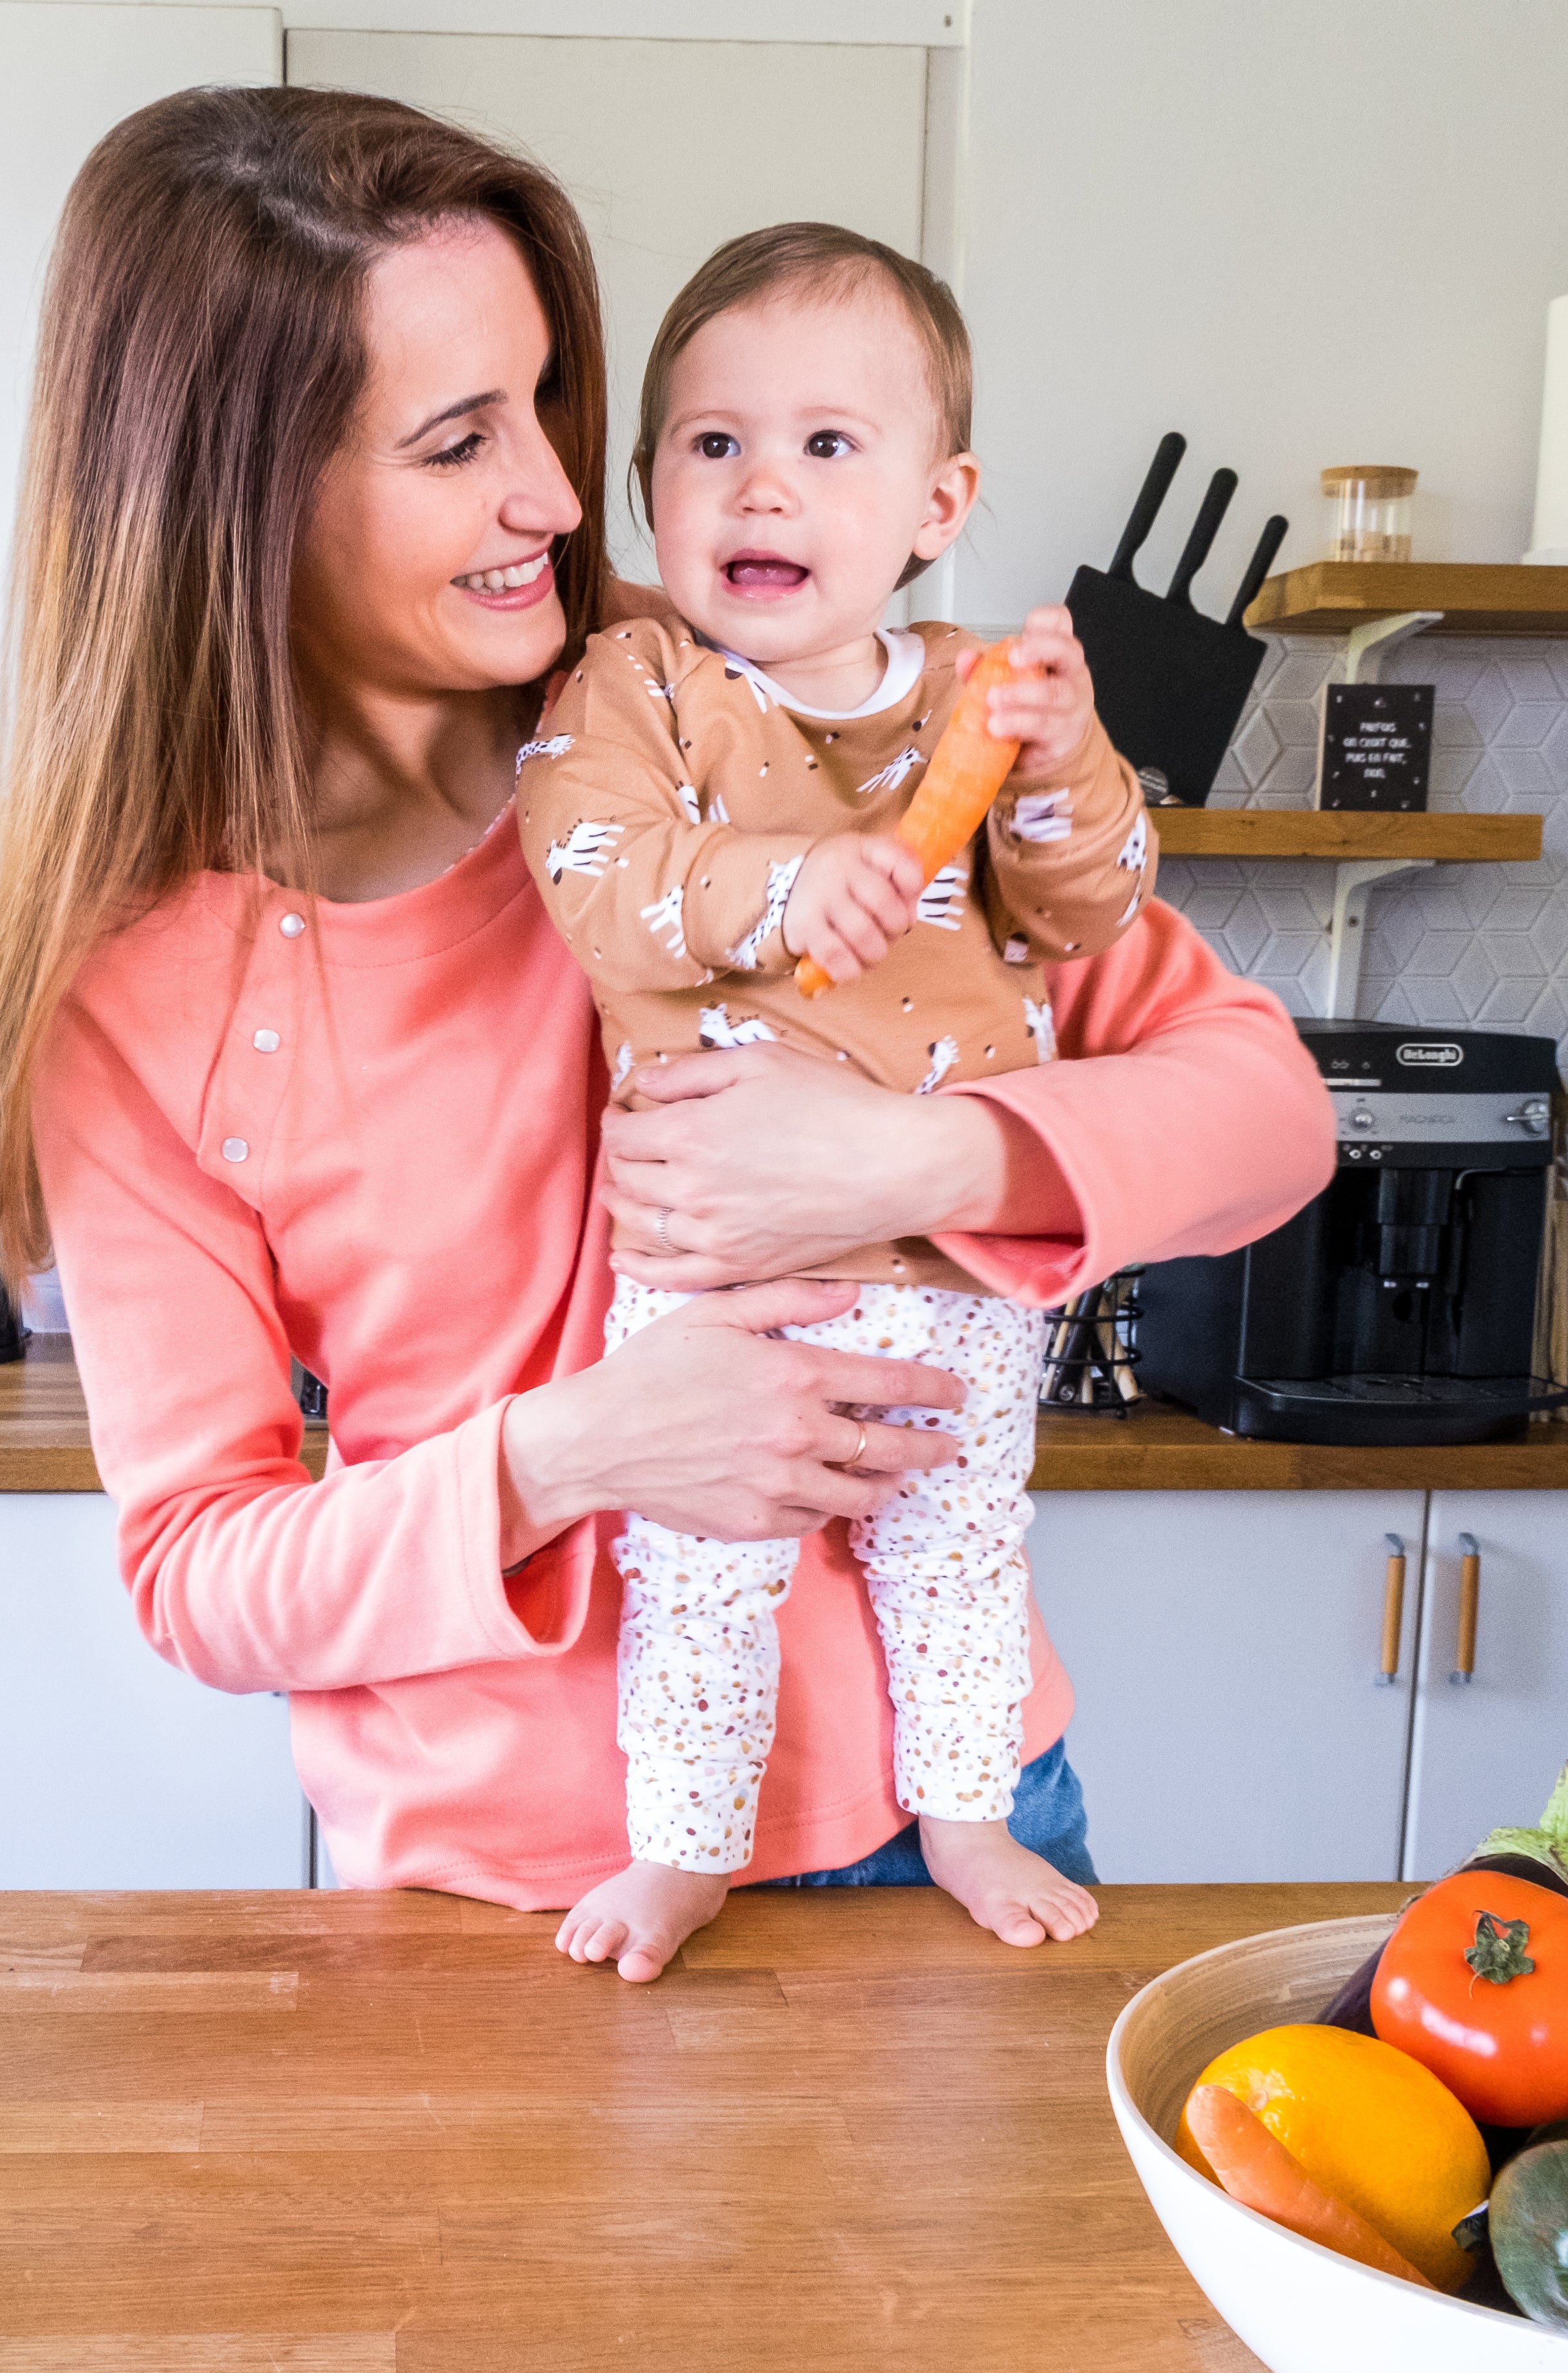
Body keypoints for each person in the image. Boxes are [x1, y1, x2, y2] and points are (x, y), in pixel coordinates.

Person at [0, 85, 1336, 1986]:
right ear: (239, 504)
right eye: (458, 442)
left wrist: (926, 1163)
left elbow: (1269, 1111)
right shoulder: (147, 988)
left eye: (546, 405)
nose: (548, 492)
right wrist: (581, 1452)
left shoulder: (762, 690)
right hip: (498, 1916)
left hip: (953, 1840)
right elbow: (201, 1572)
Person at [520, 223, 1142, 1969]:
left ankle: (962, 1813)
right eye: (714, 447)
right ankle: (686, 1844)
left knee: (959, 1555)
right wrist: (780, 891)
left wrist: (1073, 760)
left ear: (939, 505)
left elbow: (1091, 907)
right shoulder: (637, 685)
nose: (763, 490)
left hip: (953, 1269)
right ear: (651, 492)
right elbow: (594, 870)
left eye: (825, 445)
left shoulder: (977, 699)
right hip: (722, 1267)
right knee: (703, 1574)